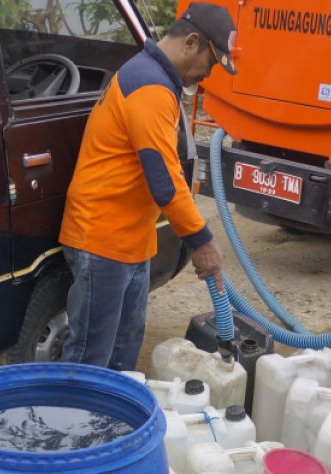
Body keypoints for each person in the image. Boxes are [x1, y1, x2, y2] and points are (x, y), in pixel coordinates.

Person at [58, 2, 238, 371]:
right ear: (191, 42)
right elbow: (165, 181)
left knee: (123, 357)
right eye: (211, 62)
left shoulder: (155, 80)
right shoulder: (149, 85)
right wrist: (202, 242)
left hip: (131, 241)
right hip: (103, 240)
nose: (208, 74)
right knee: (89, 363)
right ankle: (72, 426)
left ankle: (115, 428)